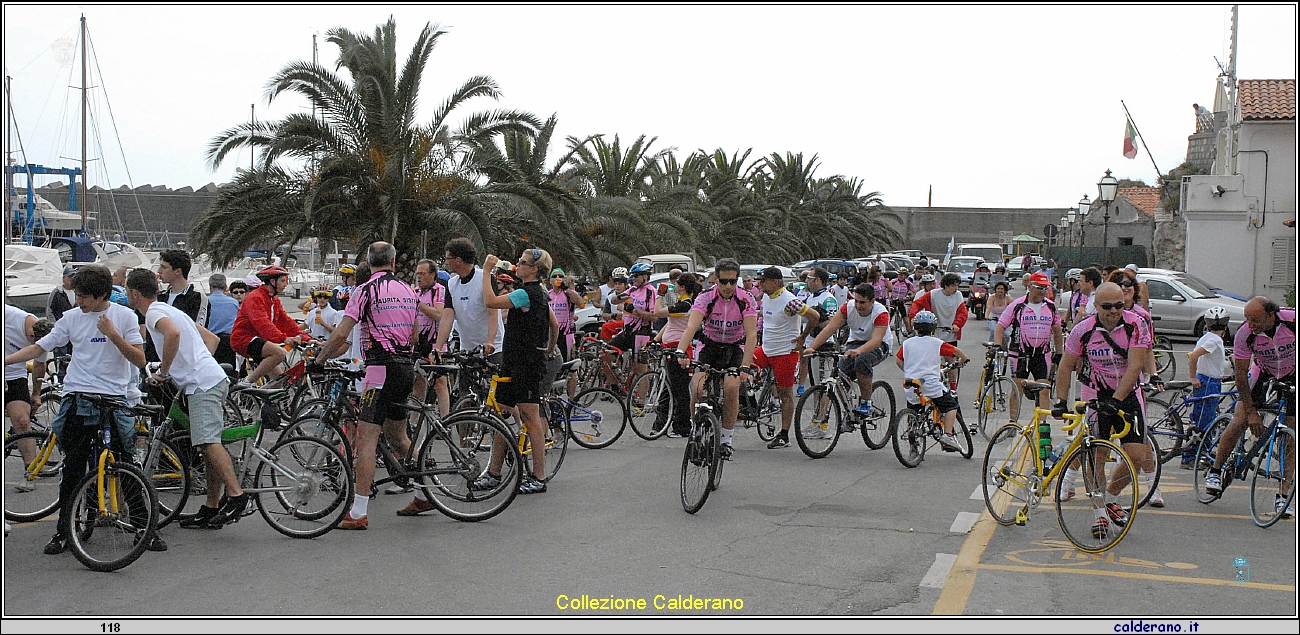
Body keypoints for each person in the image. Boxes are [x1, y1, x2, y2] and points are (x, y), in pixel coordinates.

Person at [4, 265, 152, 555]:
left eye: (83, 297)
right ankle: (65, 530)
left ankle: (143, 526)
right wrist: (7, 361)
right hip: (78, 397)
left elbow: (139, 360)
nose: (78, 303)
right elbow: (40, 348)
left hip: (114, 398)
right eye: (76, 296)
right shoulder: (71, 318)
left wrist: (112, 334)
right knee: (73, 467)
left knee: (125, 463)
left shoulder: (124, 317)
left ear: (101, 296)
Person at [123, 269, 246, 529]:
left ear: (135, 294)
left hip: (203, 384)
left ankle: (236, 495)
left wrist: (166, 372)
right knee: (207, 444)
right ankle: (211, 507)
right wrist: (191, 365)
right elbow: (210, 340)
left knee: (207, 441)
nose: (125, 296)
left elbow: (174, 336)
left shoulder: (156, 313)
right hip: (207, 379)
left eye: (126, 291)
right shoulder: (172, 310)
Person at [315, 242, 424, 528]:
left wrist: (320, 359)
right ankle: (425, 492)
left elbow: (342, 332)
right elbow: (413, 336)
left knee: (366, 439)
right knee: (398, 436)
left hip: (379, 370)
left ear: (368, 261)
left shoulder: (364, 290)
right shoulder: (408, 290)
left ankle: (358, 512)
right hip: (404, 368)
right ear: (394, 260)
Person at [1053, 282, 1155, 534]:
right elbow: (1066, 366)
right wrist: (1061, 400)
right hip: (1096, 392)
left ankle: (1110, 497)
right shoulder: (1083, 329)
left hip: (1128, 393)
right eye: (1107, 306)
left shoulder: (1135, 324)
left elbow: (1134, 368)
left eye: (1119, 305)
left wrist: (1117, 399)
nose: (1114, 311)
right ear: (1095, 306)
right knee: (1096, 455)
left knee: (1137, 456)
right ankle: (1099, 512)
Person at [475, 248, 559, 495]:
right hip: (517, 361)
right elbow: (554, 324)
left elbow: (490, 302)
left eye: (522, 263)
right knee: (502, 415)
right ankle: (494, 471)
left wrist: (487, 272)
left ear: (534, 269)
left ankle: (538, 476)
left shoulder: (526, 293)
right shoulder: (540, 294)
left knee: (530, 417)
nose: (517, 266)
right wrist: (549, 349)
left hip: (524, 364)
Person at [1203, 296, 1295, 518]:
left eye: (1255, 320)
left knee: (1290, 435)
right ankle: (1215, 470)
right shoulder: (1245, 334)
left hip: (1292, 372)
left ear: (1271, 315)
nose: (1250, 325)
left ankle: (1283, 495)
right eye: (1247, 320)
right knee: (1240, 419)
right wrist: (1252, 411)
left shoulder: (1292, 321)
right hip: (1261, 372)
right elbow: (1241, 375)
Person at [675, 258, 758, 459]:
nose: (728, 286)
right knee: (697, 387)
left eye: (733, 281)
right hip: (709, 346)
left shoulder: (746, 298)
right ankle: (696, 431)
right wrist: (680, 351)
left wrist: (745, 366)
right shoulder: (705, 297)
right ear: (716, 280)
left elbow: (752, 334)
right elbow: (691, 327)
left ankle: (726, 439)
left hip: (734, 347)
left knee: (731, 387)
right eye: (724, 281)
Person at [751, 267, 817, 449]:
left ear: (775, 281)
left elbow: (814, 316)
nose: (760, 284)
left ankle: (784, 434)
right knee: (741, 364)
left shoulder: (789, 301)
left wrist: (803, 336)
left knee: (785, 394)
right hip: (767, 349)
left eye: (763, 281)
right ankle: (752, 399)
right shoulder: (766, 295)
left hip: (785, 353)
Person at [806, 283, 890, 419]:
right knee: (841, 371)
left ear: (872, 301)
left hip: (879, 344)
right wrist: (812, 347)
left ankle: (866, 403)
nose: (858, 306)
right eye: (856, 301)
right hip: (855, 341)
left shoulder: (881, 313)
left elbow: (876, 340)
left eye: (862, 302)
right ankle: (848, 411)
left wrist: (859, 351)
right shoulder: (848, 307)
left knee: (862, 361)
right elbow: (829, 329)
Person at [994, 272, 1063, 426]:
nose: (1043, 291)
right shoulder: (1018, 305)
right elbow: (1000, 326)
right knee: (1017, 390)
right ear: (1030, 286)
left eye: (1045, 288)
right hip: (1020, 354)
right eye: (1039, 288)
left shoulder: (1051, 306)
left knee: (1044, 390)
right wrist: (998, 346)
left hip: (1042, 354)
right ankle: (1013, 423)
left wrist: (1059, 353)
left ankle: (1042, 425)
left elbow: (1057, 331)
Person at [896, 310, 968, 451]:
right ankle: (948, 435)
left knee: (914, 411)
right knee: (951, 406)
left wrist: (909, 370)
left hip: (911, 382)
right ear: (933, 328)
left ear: (915, 326)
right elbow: (957, 352)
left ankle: (913, 445)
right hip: (930, 383)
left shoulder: (908, 343)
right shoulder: (936, 343)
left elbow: (899, 361)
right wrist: (963, 360)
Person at [230, 265, 311, 386]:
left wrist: (307, 339)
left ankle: (268, 404)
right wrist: (283, 338)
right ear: (272, 281)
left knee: (278, 381)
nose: (286, 284)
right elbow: (262, 323)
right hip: (244, 339)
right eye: (283, 281)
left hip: (260, 341)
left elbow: (286, 322)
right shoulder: (255, 297)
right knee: (279, 353)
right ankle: (246, 382)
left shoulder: (274, 299)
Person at [434, 238, 504, 364]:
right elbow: (447, 318)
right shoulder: (451, 284)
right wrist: (438, 348)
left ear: (458, 260)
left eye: (448, 259)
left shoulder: (485, 278)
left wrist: (490, 341)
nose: (446, 263)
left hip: (493, 348)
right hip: (467, 350)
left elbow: (493, 313)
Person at [1182, 307, 1233, 469]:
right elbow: (1194, 356)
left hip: (1212, 380)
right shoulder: (1215, 340)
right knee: (1204, 422)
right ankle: (1190, 456)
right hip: (1208, 382)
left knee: (1207, 418)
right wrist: (1192, 377)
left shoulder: (1207, 337)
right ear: (1226, 325)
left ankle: (1202, 452)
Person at [652, 272, 700, 437]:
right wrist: (656, 339)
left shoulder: (685, 304)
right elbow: (670, 323)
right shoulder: (681, 303)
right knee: (666, 387)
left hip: (679, 348)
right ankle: (661, 424)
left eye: (677, 283)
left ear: (683, 287)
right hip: (669, 345)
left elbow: (657, 313)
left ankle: (682, 427)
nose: (675, 285)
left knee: (679, 389)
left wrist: (660, 295)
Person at [5, 305, 48, 467]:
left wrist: (36, 394)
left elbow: (39, 367)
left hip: (14, 374)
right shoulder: (10, 316)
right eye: (33, 345)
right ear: (31, 334)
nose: (35, 349)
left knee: (22, 421)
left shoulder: (43, 340)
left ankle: (30, 470)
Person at [412, 259, 449, 417]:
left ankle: (445, 418)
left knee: (440, 383)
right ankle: (414, 419)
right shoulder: (414, 291)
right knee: (418, 381)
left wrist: (419, 304)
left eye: (423, 273)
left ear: (433, 274)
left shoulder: (438, 290)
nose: (419, 277)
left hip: (434, 342)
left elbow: (438, 314)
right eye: (417, 273)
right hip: (418, 342)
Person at [157, 249, 209, 325]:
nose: (159, 271)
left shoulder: (197, 298)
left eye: (164, 267)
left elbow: (197, 329)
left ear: (178, 271)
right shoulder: (160, 297)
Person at [548, 268, 585, 363]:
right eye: (554, 276)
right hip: (550, 332)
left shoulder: (568, 294)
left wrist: (565, 288)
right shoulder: (547, 294)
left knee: (567, 362)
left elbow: (581, 304)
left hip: (565, 333)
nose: (557, 278)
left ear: (564, 279)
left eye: (560, 276)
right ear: (550, 280)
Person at [206, 273, 240, 367]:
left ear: (210, 286)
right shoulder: (234, 302)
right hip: (229, 342)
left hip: (209, 341)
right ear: (225, 287)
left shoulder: (205, 301)